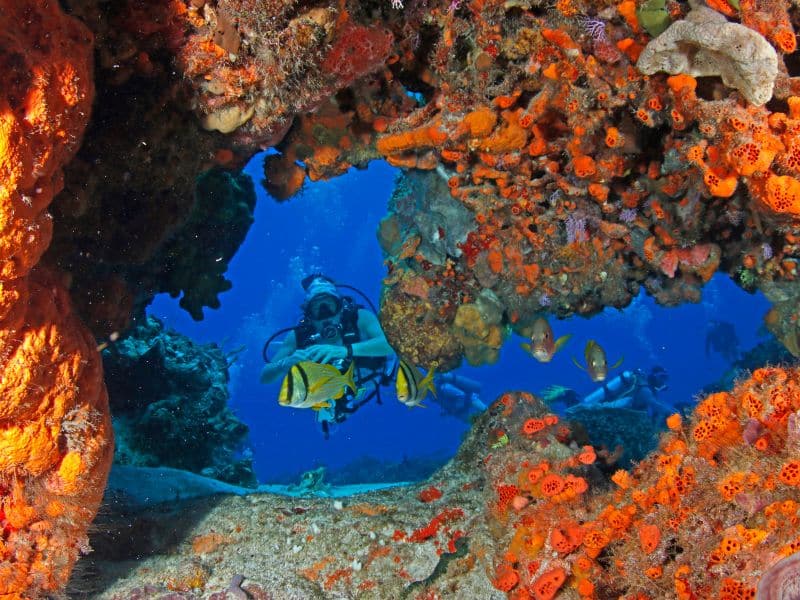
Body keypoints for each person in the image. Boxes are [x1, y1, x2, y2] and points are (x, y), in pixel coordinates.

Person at [261, 274, 395, 435]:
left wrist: (347, 350)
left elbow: (390, 344)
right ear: (309, 316)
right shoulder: (298, 336)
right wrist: (285, 363)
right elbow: (265, 377)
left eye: (330, 306)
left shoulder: (359, 318)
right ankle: (332, 412)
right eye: (317, 310)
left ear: (341, 307)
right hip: (331, 391)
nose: (326, 317)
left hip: (375, 377)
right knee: (331, 414)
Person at [568, 366, 674, 425]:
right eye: (662, 377)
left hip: (619, 415)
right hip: (612, 409)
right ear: (654, 376)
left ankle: (574, 403)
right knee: (590, 409)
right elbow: (655, 404)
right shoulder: (644, 388)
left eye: (666, 378)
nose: (663, 381)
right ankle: (575, 404)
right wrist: (672, 413)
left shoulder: (646, 388)